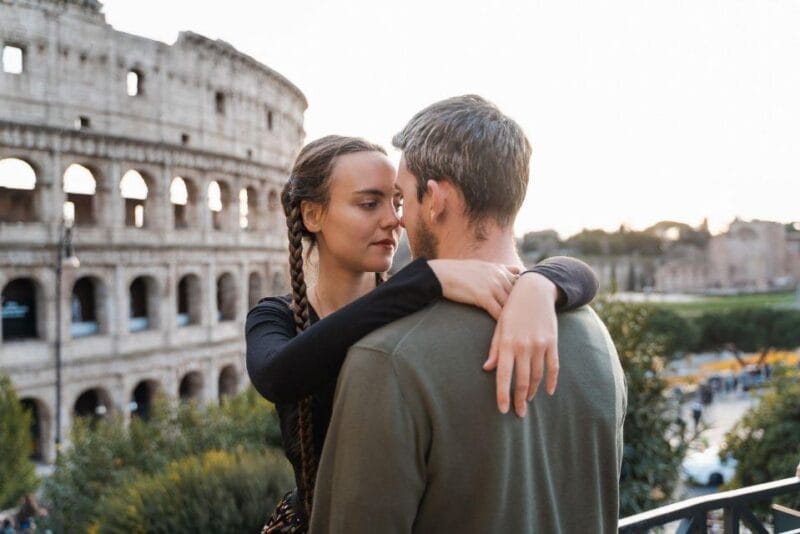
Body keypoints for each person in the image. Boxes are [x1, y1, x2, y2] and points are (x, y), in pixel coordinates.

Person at [245, 135, 599, 532]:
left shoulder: (416, 299)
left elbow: (581, 273)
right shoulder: (276, 315)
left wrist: (540, 283)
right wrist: (425, 278)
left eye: (396, 201)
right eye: (368, 203)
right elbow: (278, 374)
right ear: (313, 215)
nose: (394, 219)